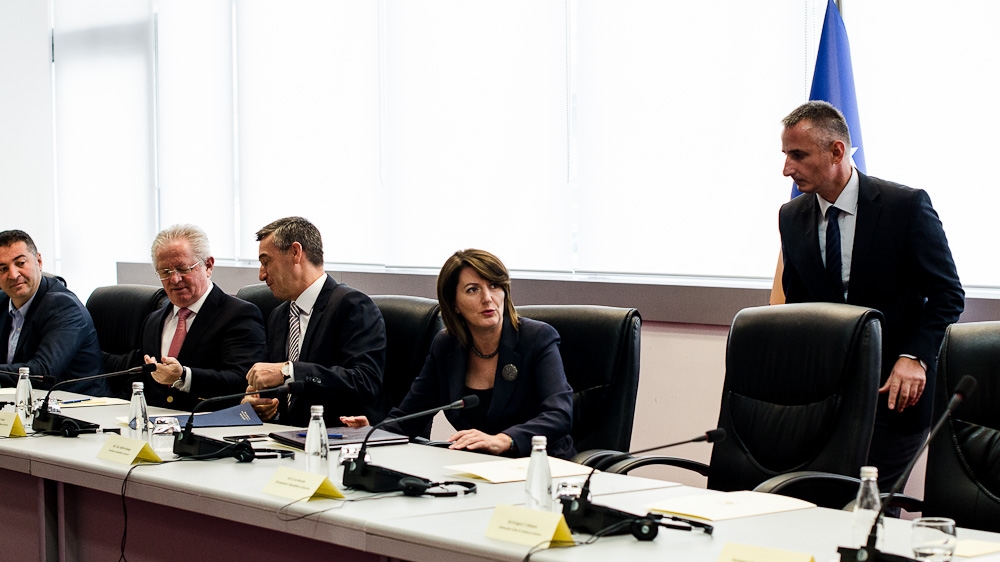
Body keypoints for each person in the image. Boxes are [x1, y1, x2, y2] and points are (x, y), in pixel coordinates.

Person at [778, 101, 964, 489]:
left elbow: (947, 294)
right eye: (785, 155)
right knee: (815, 502)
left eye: (798, 155)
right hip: (825, 398)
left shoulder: (905, 206)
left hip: (893, 396)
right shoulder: (790, 216)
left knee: (869, 510)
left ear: (836, 152)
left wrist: (915, 357)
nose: (787, 169)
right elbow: (799, 308)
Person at [341, 249, 575, 459]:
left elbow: (559, 414)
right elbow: (410, 416)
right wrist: (374, 430)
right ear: (454, 304)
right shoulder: (446, 346)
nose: (487, 298)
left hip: (542, 465)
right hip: (479, 467)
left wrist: (504, 439)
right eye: (473, 290)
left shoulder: (537, 338)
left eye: (494, 286)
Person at [243, 217, 386, 427]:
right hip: (283, 442)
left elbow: (363, 381)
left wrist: (288, 372)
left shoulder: (352, 305)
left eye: (266, 262)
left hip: (334, 439)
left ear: (295, 252)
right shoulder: (279, 315)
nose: (261, 274)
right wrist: (258, 403)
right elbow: (276, 390)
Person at [129, 225, 266, 411]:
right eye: (165, 272)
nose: (175, 280)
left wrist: (184, 376)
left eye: (182, 269)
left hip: (209, 428)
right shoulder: (152, 321)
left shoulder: (239, 315)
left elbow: (242, 381)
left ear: (208, 266)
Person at [0, 230, 107, 395]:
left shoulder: (64, 307)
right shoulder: (2, 301)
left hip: (77, 410)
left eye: (20, 263)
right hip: (22, 406)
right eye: (3, 268)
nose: (13, 275)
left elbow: (42, 372)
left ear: (39, 261)